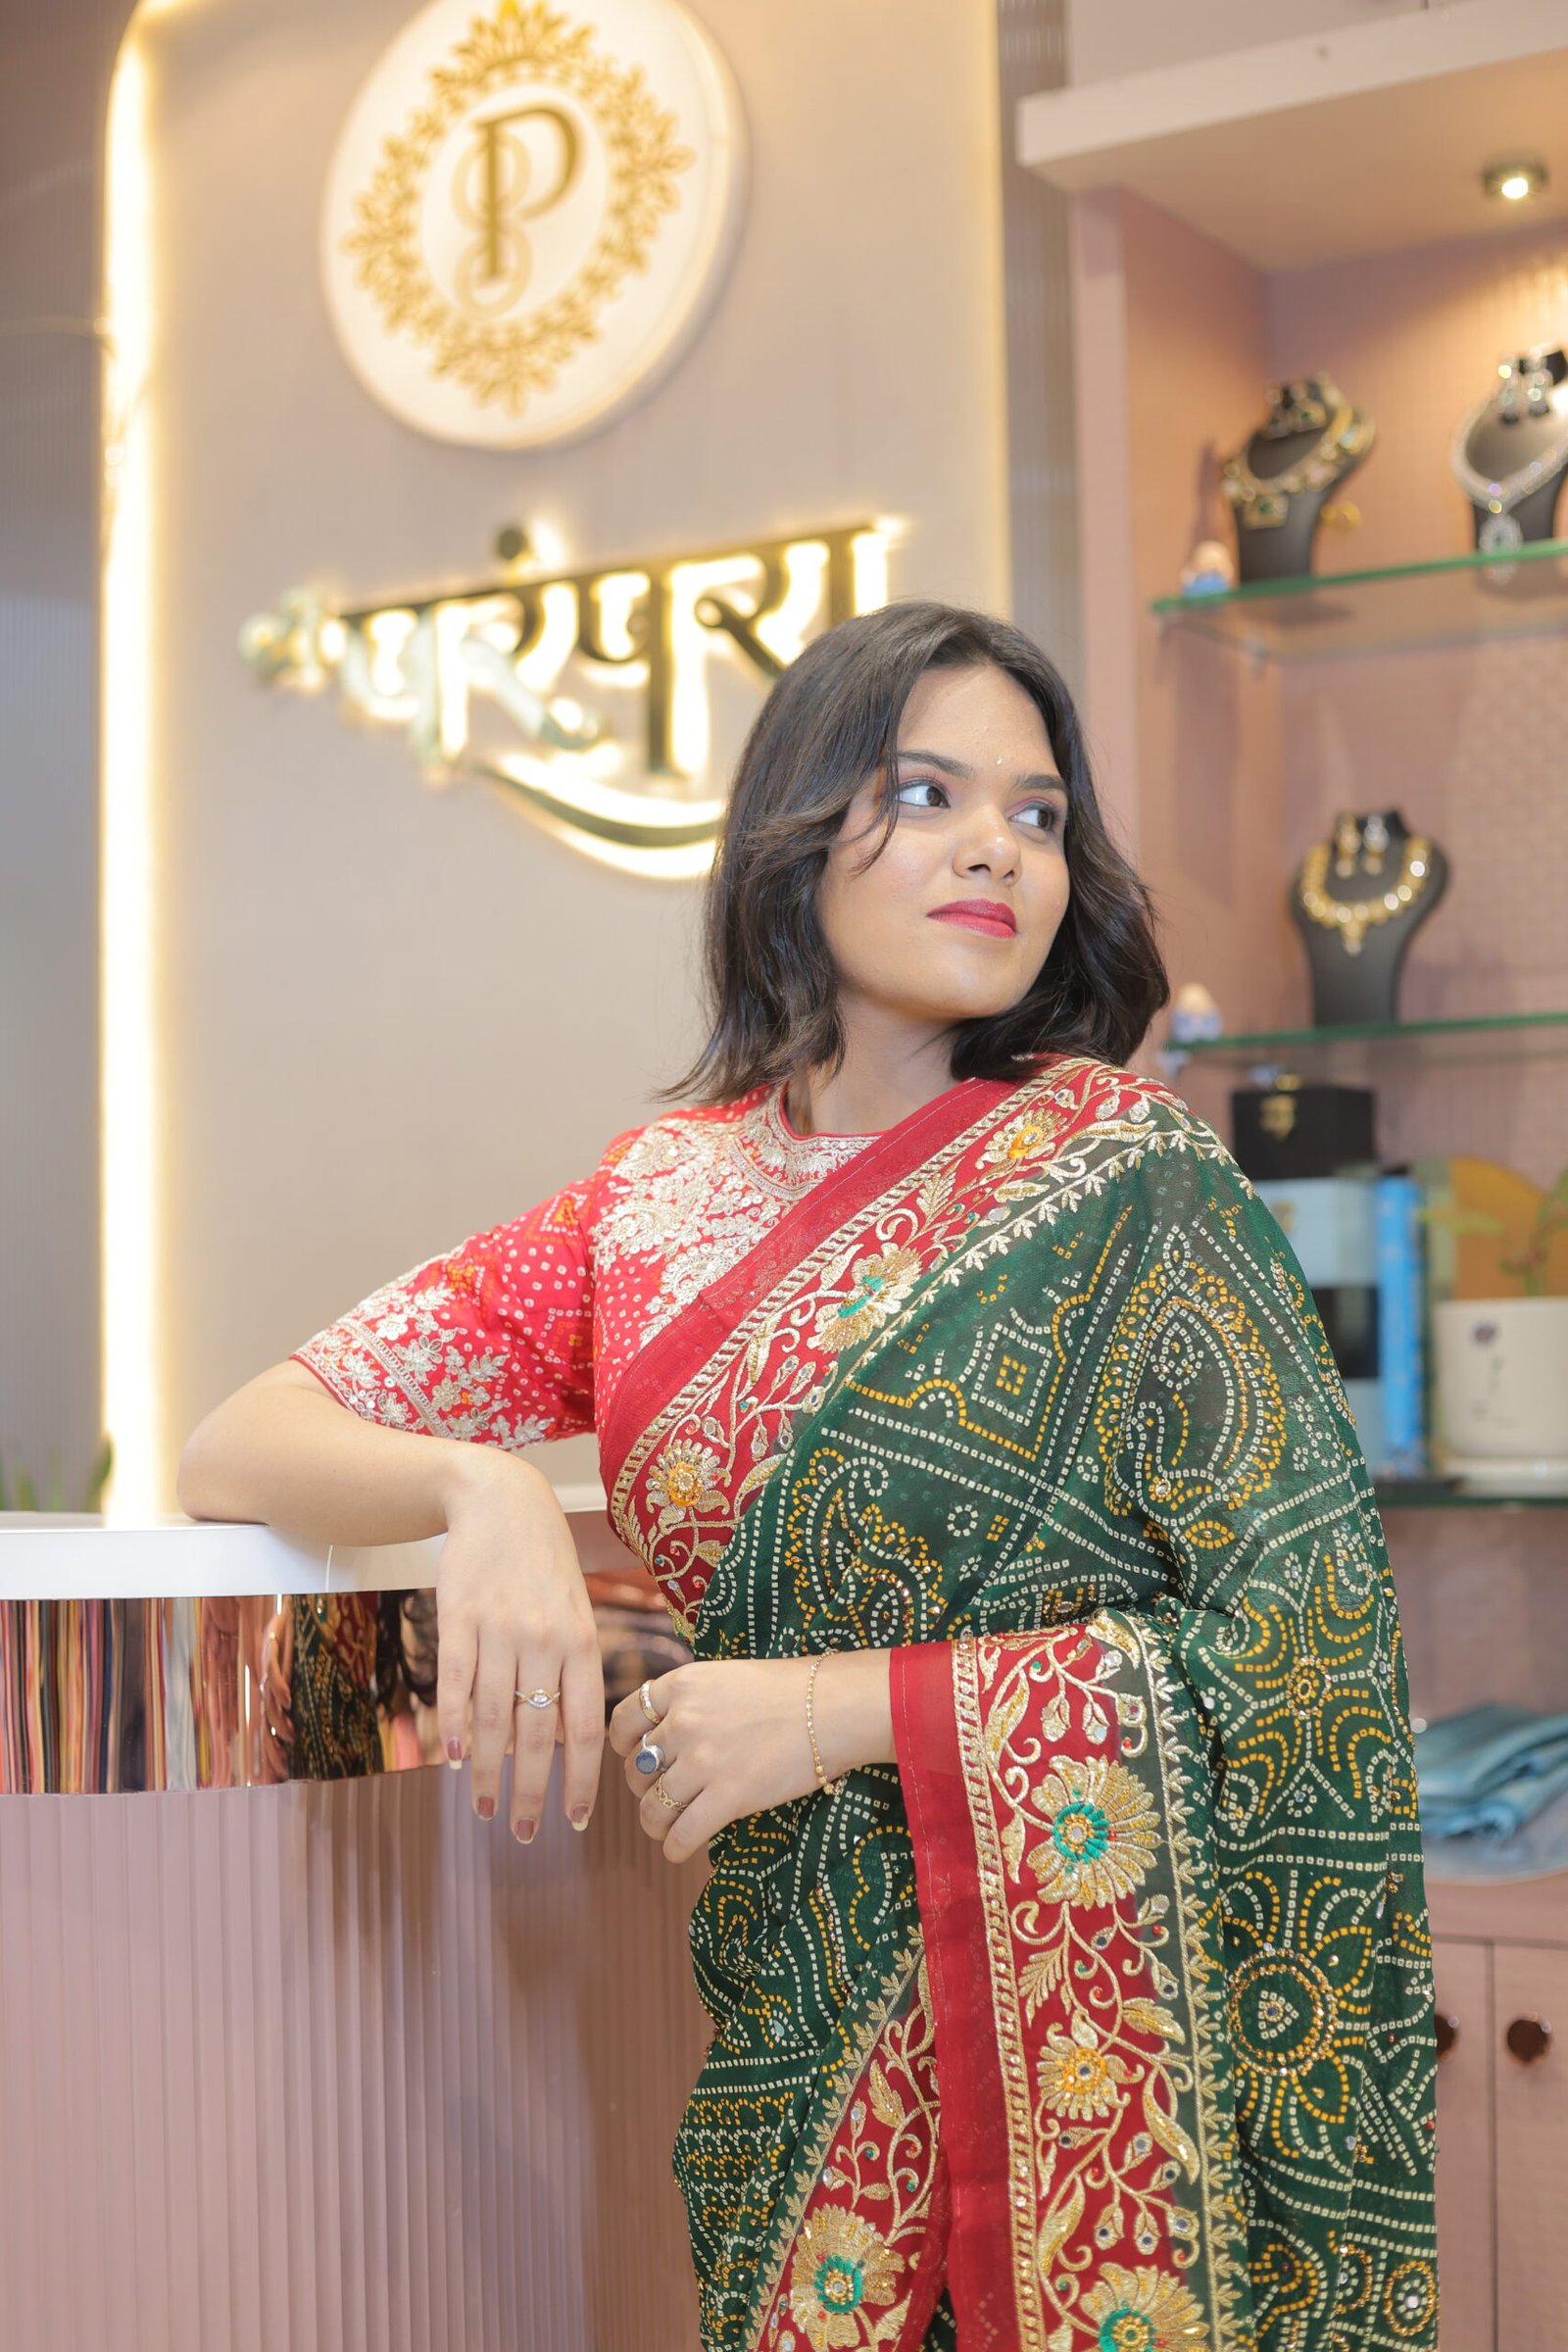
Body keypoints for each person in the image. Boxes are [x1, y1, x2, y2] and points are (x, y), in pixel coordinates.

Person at [179, 603, 1439, 2352]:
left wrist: (850, 1712)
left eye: (1039, 810)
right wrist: (490, 1494)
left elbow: (1305, 1668)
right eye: (924, 792)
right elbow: (242, 1440)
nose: (997, 841)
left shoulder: (1134, 1184)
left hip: (1127, 2086)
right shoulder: (649, 1209)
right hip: (796, 2044)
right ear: (799, 825)